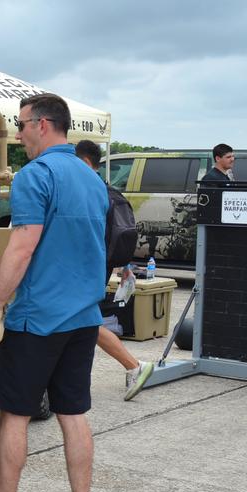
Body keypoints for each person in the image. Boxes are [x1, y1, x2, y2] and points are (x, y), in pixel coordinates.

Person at [0, 94, 108, 492]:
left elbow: (22, 248)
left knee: (15, 415)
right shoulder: (92, 179)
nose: (17, 133)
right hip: (83, 317)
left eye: (21, 125)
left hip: (38, 319)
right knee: (73, 413)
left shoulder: (35, 176)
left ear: (43, 125)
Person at [74, 140, 153, 401]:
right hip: (104, 265)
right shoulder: (109, 191)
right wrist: (126, 265)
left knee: (87, 321)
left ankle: (133, 365)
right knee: (83, 323)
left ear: (85, 162)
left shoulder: (88, 192)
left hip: (89, 266)